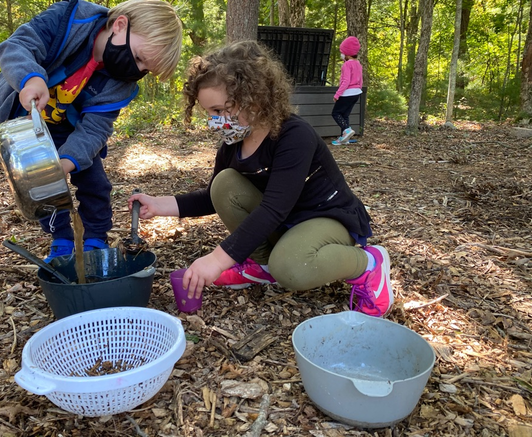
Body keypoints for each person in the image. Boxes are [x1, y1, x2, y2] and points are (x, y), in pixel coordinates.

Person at [129, 40, 393, 317]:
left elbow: (274, 208)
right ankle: (264, 266)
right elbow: (212, 197)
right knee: (224, 184)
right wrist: (160, 205)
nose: (215, 121)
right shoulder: (234, 142)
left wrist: (217, 260)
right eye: (209, 112)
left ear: (253, 97)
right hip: (288, 222)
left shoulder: (294, 135)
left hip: (326, 217)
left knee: (291, 268)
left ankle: (367, 263)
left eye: (221, 110)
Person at [0, 0, 182, 261]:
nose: (137, 70)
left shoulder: (121, 82)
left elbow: (94, 130)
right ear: (120, 25)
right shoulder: (68, 20)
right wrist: (31, 79)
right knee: (42, 188)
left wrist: (65, 164)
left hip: (72, 127)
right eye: (138, 58)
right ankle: (61, 239)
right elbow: (17, 46)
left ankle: (94, 240)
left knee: (95, 183)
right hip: (27, 121)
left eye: (145, 69)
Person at [331, 36, 363, 146]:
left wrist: (337, 94)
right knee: (345, 115)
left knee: (335, 113)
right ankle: (344, 139)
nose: (342, 54)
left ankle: (346, 130)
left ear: (347, 53)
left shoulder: (347, 64)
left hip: (347, 93)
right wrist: (359, 89)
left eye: (342, 52)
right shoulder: (358, 64)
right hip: (356, 93)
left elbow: (346, 81)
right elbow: (361, 80)